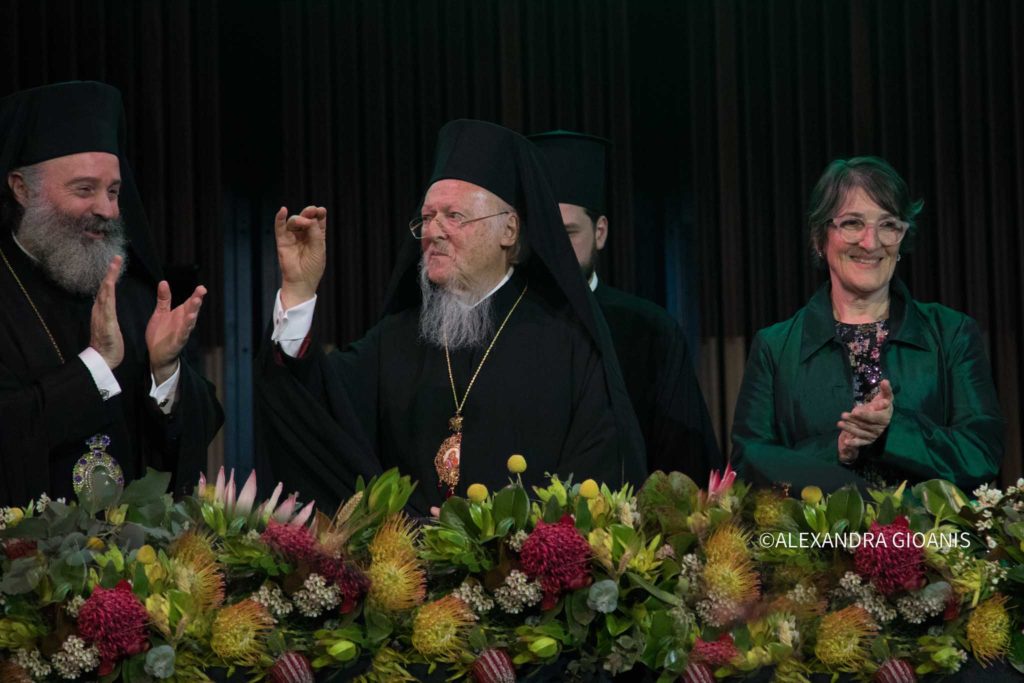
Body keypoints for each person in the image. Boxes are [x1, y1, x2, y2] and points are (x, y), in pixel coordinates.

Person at [256, 119, 646, 516]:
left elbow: (596, 473)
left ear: (509, 230)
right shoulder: (395, 339)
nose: (434, 232)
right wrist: (298, 290)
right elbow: (314, 410)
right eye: (427, 217)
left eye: (454, 216)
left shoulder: (568, 344)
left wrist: (512, 540)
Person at [0, 81, 223, 506]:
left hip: (135, 546)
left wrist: (165, 371)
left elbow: (198, 424)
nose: (106, 209)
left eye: (114, 191)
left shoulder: (132, 295)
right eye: (84, 189)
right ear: (22, 188)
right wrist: (95, 367)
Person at [731, 156, 1003, 493]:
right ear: (820, 238)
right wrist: (837, 448)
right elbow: (748, 467)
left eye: (888, 225)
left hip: (929, 529)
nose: (871, 242)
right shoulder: (774, 347)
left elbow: (982, 454)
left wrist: (892, 432)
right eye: (852, 223)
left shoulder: (952, 333)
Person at [529, 130, 721, 483]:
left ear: (600, 232)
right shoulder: (506, 325)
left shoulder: (649, 329)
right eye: (543, 235)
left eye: (568, 233)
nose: (554, 250)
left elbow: (684, 462)